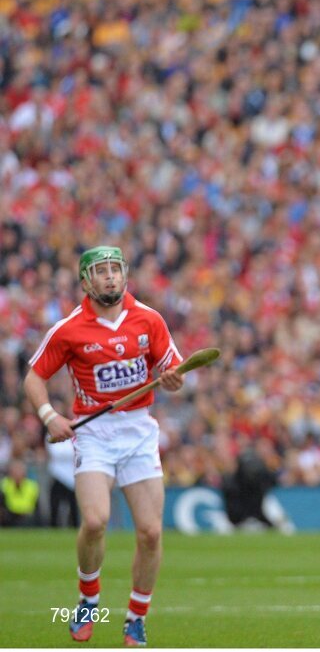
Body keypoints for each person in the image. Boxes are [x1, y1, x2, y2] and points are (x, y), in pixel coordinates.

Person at [24, 246, 184, 647]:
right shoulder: (69, 329)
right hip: (94, 434)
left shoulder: (150, 319)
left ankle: (136, 616)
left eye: (116, 269)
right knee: (94, 521)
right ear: (85, 281)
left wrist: (172, 379)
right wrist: (50, 417)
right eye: (101, 271)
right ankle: (88, 597)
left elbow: (173, 369)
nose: (110, 276)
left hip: (138, 431)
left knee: (149, 532)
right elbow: (33, 378)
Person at [0, 458, 40, 526]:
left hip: (27, 514)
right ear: (10, 472)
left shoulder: (31, 485)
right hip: (10, 514)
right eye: (15, 470)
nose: (17, 473)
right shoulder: (5, 484)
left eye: (19, 470)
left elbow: (36, 505)